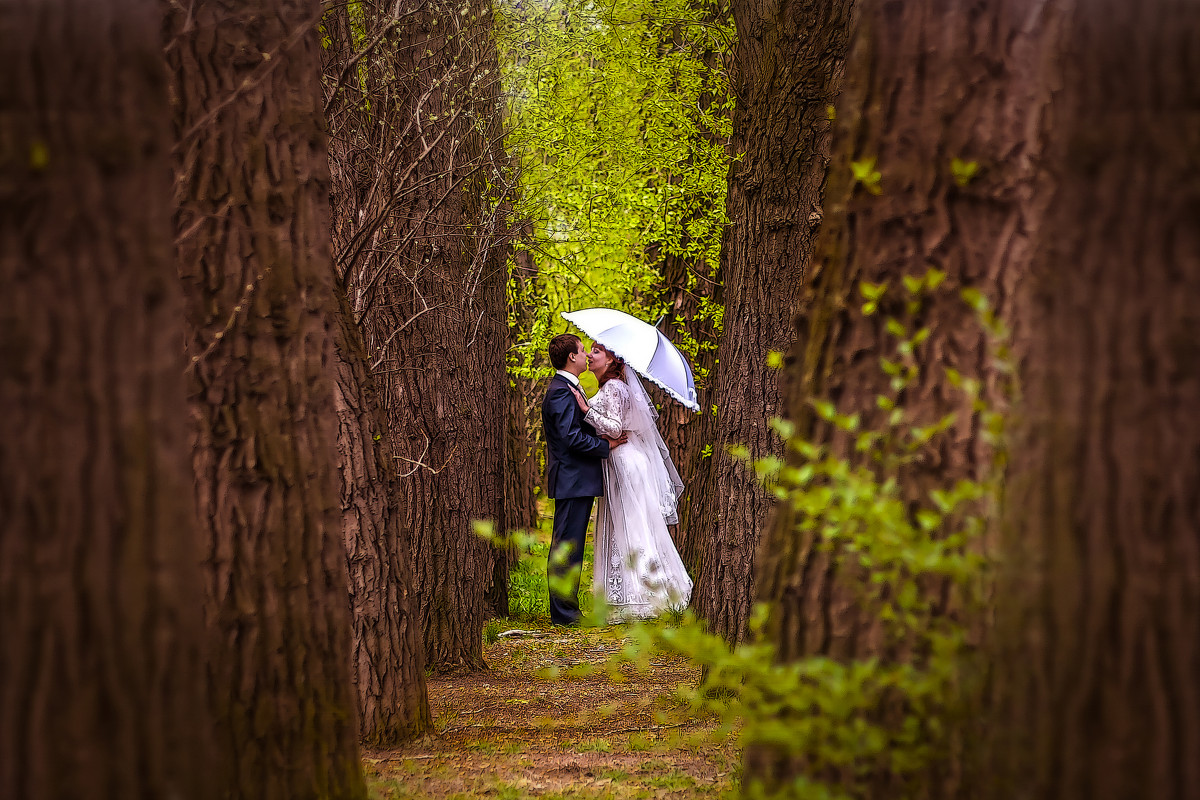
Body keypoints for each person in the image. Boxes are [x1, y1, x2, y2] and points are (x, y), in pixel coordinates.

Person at [570, 341, 692, 620]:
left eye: (597, 351)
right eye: (589, 350)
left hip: (623, 460)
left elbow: (614, 427)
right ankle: (629, 594)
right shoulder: (611, 387)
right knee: (627, 523)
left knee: (632, 524)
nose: (589, 355)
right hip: (621, 459)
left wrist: (585, 409)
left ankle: (643, 597)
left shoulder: (613, 387)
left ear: (613, 360)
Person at [541, 333, 625, 626]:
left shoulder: (568, 388)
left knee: (571, 544)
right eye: (581, 350)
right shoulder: (562, 391)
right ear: (571, 358)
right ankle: (564, 615)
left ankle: (567, 610)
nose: (586, 355)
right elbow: (570, 436)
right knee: (567, 545)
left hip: (576, 479)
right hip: (571, 478)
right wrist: (606, 447)